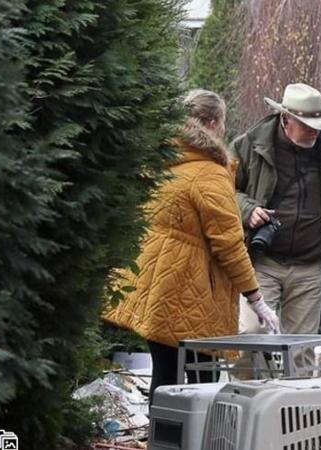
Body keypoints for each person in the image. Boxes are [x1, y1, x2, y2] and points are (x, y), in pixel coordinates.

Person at [103, 90, 279, 404]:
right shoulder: (209, 173)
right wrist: (256, 298)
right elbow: (229, 245)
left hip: (157, 287)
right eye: (223, 123)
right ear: (212, 124)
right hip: (195, 293)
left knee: (165, 375)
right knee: (204, 383)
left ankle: (160, 441)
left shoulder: (160, 160)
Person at [230, 83, 321, 340]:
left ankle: (293, 382)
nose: (314, 132)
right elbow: (224, 191)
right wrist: (248, 210)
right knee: (250, 336)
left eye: (318, 125)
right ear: (285, 118)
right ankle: (253, 383)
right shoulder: (248, 146)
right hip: (262, 261)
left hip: (310, 264)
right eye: (307, 125)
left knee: (301, 349)